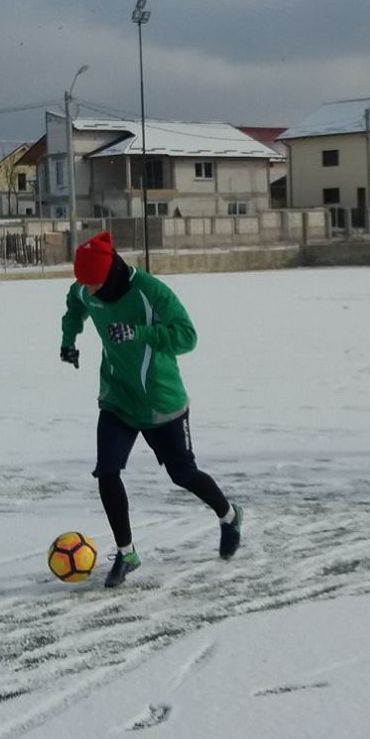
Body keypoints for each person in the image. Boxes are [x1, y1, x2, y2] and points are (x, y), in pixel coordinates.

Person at [59, 230, 241, 587]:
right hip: (117, 398)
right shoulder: (84, 288)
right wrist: (68, 340)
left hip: (161, 401)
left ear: (109, 273)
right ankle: (126, 553)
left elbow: (187, 336)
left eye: (93, 283)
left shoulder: (150, 291)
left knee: (183, 474)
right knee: (107, 472)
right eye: (83, 283)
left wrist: (140, 333)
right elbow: (74, 307)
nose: (88, 291)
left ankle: (229, 515)